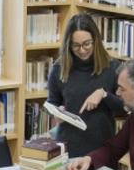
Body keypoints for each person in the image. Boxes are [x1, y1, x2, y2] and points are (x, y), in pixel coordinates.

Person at [46, 14, 125, 157]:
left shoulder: (113, 68)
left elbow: (125, 108)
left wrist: (104, 95)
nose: (82, 50)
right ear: (68, 44)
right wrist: (57, 112)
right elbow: (52, 102)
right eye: (76, 45)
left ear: (96, 41)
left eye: (87, 44)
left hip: (102, 150)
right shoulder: (59, 68)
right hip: (68, 148)